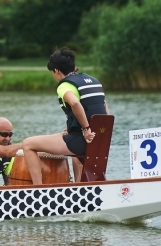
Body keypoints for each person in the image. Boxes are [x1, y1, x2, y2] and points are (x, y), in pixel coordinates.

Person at [21, 47, 109, 184]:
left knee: (28, 144)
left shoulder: (64, 86)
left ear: (56, 70)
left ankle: (38, 189)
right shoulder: (94, 81)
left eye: (52, 72)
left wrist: (86, 129)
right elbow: (104, 109)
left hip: (83, 141)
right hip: (101, 140)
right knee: (71, 146)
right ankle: (80, 186)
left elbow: (75, 103)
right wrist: (100, 132)